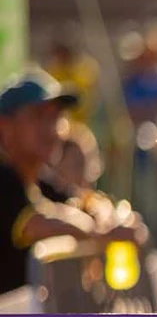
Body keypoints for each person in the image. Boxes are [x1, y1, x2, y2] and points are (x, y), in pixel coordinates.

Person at [0, 69, 147, 294]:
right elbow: (41, 223)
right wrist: (100, 234)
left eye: (56, 117)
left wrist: (109, 219)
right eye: (37, 116)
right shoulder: (4, 179)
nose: (51, 128)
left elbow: (88, 201)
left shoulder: (40, 182)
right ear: (4, 126)